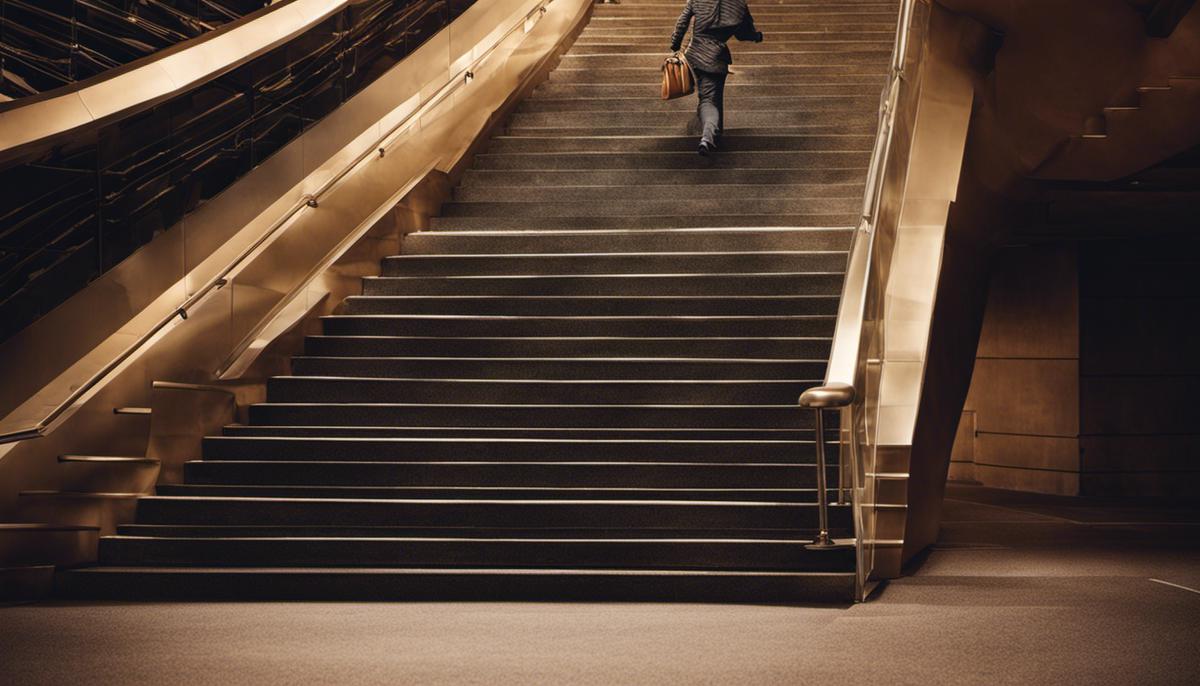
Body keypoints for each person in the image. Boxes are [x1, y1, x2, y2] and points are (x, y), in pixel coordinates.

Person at [669, 0, 763, 156]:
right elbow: (743, 34)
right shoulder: (739, 5)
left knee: (707, 97)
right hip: (716, 56)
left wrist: (675, 44)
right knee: (710, 98)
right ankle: (709, 136)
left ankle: (711, 131)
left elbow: (682, 22)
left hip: (694, 53)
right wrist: (756, 36)